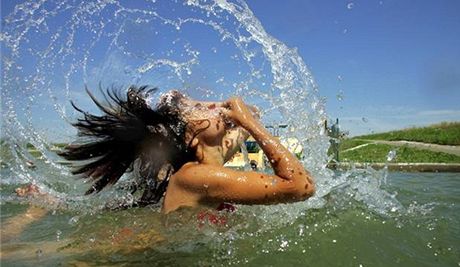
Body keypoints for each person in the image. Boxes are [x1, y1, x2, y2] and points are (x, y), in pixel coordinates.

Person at [59, 86, 315, 213]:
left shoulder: (209, 162)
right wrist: (247, 121)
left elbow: (254, 112)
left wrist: (242, 116)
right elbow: (300, 187)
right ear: (190, 137)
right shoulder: (193, 176)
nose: (213, 106)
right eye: (198, 107)